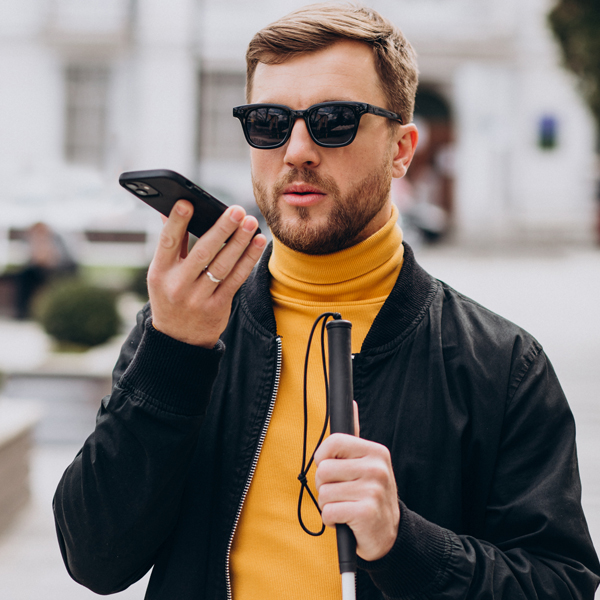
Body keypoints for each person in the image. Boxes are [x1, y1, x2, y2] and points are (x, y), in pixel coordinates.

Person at [53, 4, 600, 599]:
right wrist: (173, 354)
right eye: (268, 121)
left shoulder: (501, 366)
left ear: (401, 149)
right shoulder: (188, 328)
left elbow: (561, 583)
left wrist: (403, 542)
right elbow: (95, 559)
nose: (297, 150)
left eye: (334, 120)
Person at [13, 222, 77, 319]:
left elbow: (64, 258)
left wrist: (50, 260)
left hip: (61, 268)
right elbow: (31, 259)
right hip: (40, 271)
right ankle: (23, 311)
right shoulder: (31, 240)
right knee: (25, 275)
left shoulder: (58, 239)